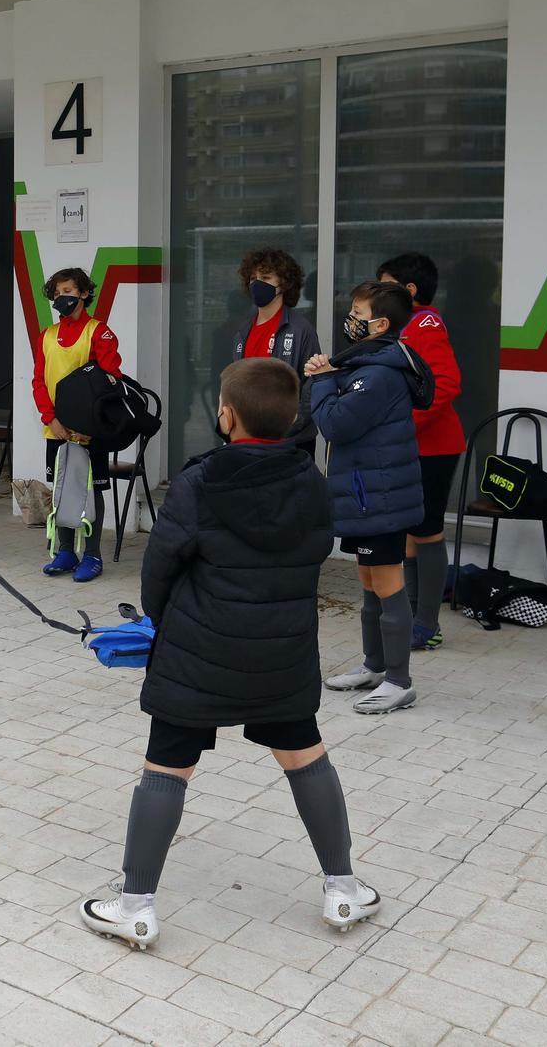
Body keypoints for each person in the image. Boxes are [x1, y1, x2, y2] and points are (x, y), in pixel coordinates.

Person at [79, 358, 378, 949]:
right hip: (282, 652)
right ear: (293, 418)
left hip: (197, 650)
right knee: (305, 757)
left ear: (226, 414)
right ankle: (343, 887)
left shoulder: (197, 482)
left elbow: (160, 568)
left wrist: (161, 623)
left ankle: (136, 906)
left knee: (166, 766)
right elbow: (318, 550)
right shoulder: (312, 483)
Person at [306, 280, 433, 715]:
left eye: (358, 312)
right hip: (367, 493)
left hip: (379, 497)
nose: (351, 319)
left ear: (380, 323)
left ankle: (399, 681)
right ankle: (374, 665)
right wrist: (332, 377)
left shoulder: (379, 373)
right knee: (368, 583)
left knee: (386, 581)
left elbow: (337, 425)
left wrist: (322, 381)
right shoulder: (368, 363)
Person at [378, 252, 464, 650]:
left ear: (408, 290)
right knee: (410, 534)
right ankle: (414, 617)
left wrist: (404, 426)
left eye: (385, 284)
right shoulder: (399, 326)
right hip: (410, 447)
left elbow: (445, 384)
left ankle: (428, 624)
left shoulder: (425, 322)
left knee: (427, 533)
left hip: (433, 448)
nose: (378, 293)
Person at [32, 267, 122, 583]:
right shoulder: (46, 335)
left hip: (89, 432)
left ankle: (93, 554)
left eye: (68, 291)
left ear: (84, 293)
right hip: (55, 430)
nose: (62, 298)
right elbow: (38, 382)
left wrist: (91, 426)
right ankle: (66, 551)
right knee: (62, 491)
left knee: (90, 491)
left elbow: (110, 382)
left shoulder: (100, 332)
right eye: (57, 294)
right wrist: (51, 420)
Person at [229, 248, 322, 454]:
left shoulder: (300, 329)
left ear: (284, 284)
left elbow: (312, 385)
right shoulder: (243, 332)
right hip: (249, 439)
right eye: (253, 278)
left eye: (266, 277)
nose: (257, 283)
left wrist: (287, 428)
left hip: (290, 442)